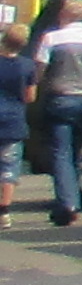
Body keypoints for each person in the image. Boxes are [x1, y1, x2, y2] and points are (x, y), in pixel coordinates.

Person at [26, 0, 82, 230]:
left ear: (66, 15)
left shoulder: (51, 39)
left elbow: (38, 72)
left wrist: (31, 95)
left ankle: (67, 203)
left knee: (60, 153)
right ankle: (71, 199)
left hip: (59, 99)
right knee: (75, 152)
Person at [0, 24, 31, 228]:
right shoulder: (27, 66)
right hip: (14, 120)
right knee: (8, 167)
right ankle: (3, 212)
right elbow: (30, 96)